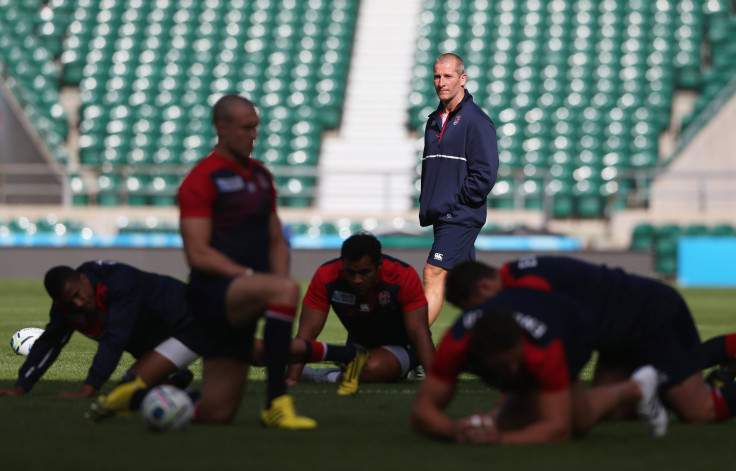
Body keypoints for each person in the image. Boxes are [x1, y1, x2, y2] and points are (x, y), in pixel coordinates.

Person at [444, 256, 736, 424]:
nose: (481, 317)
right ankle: (691, 383)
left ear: (485, 286)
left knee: (700, 413)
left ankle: (690, 385)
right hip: (616, 333)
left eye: (477, 308)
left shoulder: (525, 288)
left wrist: (502, 411)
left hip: (651, 315)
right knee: (611, 411)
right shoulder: (517, 278)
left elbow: (542, 351)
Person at [177, 94, 315, 429]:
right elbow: (198, 254)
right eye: (245, 128)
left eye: (255, 127)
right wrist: (257, 279)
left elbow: (275, 237)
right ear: (221, 128)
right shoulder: (201, 179)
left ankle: (146, 398)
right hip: (213, 293)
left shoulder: (260, 176)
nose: (253, 135)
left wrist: (273, 282)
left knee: (217, 414)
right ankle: (276, 404)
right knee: (283, 290)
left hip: (249, 293)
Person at [411, 287, 666, 444]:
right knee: (516, 409)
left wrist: (501, 440)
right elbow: (422, 412)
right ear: (476, 353)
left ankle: (633, 388)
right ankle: (637, 387)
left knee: (578, 423)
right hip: (523, 322)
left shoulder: (543, 348)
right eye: (502, 364)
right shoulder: (455, 343)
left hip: (573, 328)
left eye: (515, 361)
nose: (511, 370)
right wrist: (456, 432)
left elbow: (558, 430)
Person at [0, 261, 202, 411]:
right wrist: (21, 386)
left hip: (192, 322)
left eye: (78, 295)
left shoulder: (120, 283)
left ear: (84, 279)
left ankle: (194, 397)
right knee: (130, 391)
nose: (78, 304)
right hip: (159, 337)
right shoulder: (65, 307)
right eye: (70, 302)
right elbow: (50, 342)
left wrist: (88, 389)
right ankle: (172, 385)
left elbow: (114, 340)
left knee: (128, 391)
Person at [285, 232, 435, 394]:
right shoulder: (326, 275)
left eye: (364, 272)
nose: (357, 279)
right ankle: (347, 364)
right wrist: (292, 378)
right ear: (342, 265)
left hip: (403, 347)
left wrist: (437, 380)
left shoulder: (403, 276)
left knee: (372, 368)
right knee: (277, 352)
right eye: (351, 272)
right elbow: (307, 331)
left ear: (379, 265)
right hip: (358, 347)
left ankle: (325, 376)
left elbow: (419, 332)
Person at [418, 52, 499, 326]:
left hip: (460, 215)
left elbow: (485, 174)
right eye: (437, 76)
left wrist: (456, 203)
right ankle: (506, 338)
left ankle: (409, 350)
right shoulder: (433, 121)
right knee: (470, 288)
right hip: (442, 215)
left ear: (462, 79)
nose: (441, 82)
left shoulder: (477, 121)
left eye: (448, 76)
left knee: (433, 274)